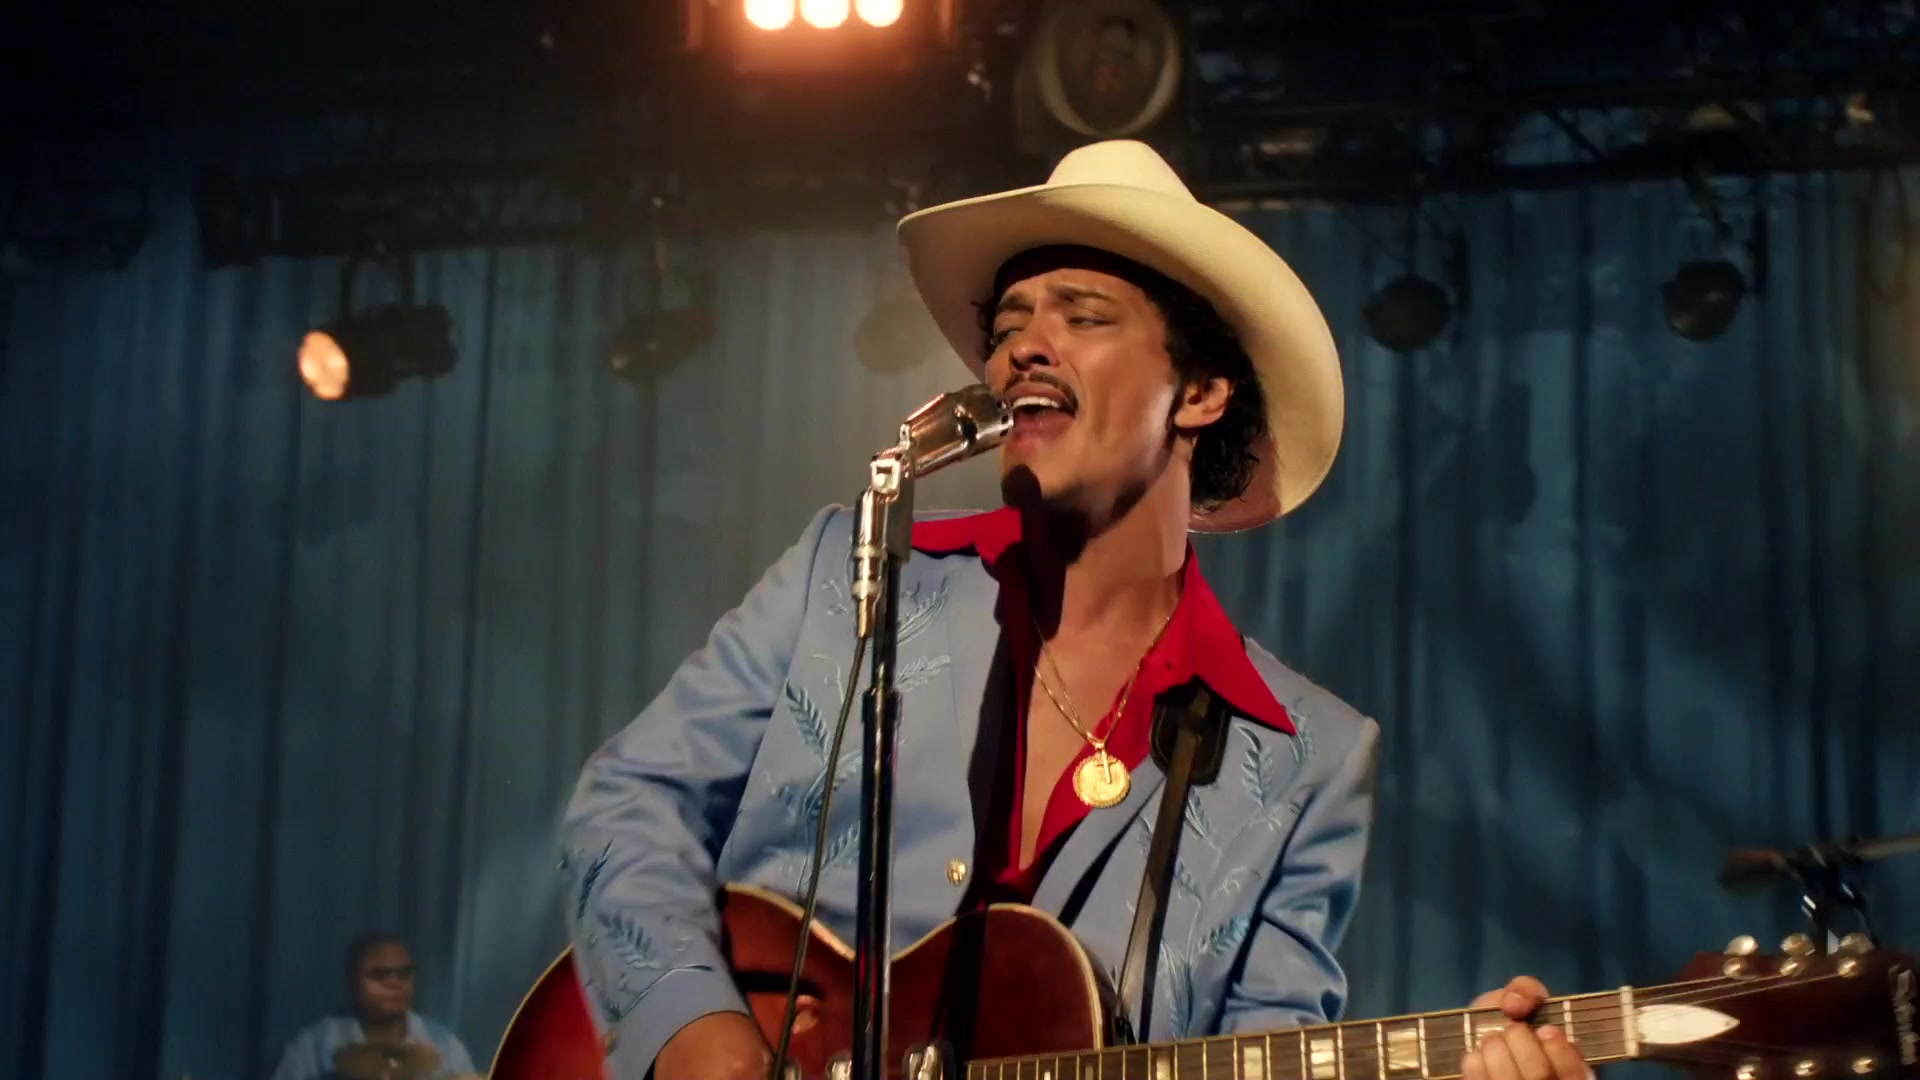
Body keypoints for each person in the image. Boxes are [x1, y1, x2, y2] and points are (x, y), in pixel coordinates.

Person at [559, 140, 1595, 1080]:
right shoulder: (852, 574)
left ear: (1200, 394)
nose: (1023, 349)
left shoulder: (1304, 759)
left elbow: (1267, 1042)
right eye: (1008, 325)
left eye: (1083, 317)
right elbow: (627, 804)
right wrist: (695, 1033)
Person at [268, 932, 477, 1080]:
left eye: (404, 974)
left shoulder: (446, 1047)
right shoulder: (314, 1046)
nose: (394, 983)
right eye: (379, 974)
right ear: (352, 981)